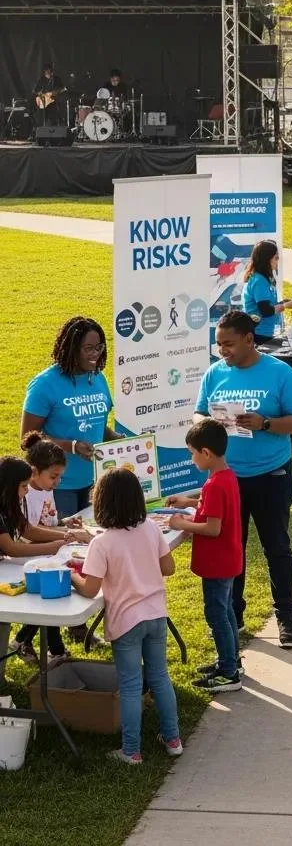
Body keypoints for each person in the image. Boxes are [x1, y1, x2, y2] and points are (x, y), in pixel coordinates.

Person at [195, 311, 292, 648]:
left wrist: (266, 424)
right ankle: (235, 614)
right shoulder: (215, 374)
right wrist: (207, 421)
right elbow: (198, 412)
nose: (222, 351)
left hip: (272, 474)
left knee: (277, 548)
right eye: (218, 345)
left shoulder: (279, 373)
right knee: (234, 549)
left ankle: (286, 616)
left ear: (248, 339)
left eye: (228, 344)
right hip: (230, 480)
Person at [71, 468, 182, 765]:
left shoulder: (102, 543)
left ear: (101, 503)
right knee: (160, 677)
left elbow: (90, 588)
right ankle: (173, 739)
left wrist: (72, 577)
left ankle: (131, 750)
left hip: (126, 622)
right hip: (156, 615)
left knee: (131, 685)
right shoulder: (150, 529)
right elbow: (168, 568)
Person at [163, 419, 244, 693]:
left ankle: (228, 673)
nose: (191, 458)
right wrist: (187, 502)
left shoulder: (213, 485)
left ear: (206, 453)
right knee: (227, 612)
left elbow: (212, 527)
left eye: (192, 452)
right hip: (229, 560)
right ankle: (231, 661)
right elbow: (211, 503)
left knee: (216, 615)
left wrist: (181, 524)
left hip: (217, 564)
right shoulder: (225, 477)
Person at [21, 317, 115, 519]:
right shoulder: (45, 384)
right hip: (58, 485)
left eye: (98, 347)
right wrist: (71, 446)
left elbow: (97, 426)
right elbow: (28, 439)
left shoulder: (99, 378)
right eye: (88, 348)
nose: (95, 354)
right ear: (72, 348)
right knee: (67, 544)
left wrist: (117, 437)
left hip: (96, 482)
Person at [13, 434, 78, 664]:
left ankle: (28, 642)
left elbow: (48, 521)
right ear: (34, 471)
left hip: (48, 553)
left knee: (51, 601)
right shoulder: (26, 492)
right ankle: (50, 649)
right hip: (29, 559)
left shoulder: (45, 488)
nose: (57, 482)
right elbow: (29, 530)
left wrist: (65, 525)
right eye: (54, 477)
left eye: (59, 476)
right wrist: (63, 536)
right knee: (49, 602)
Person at [241, 240, 292, 343]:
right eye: (276, 258)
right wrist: (286, 305)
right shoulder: (259, 280)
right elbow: (265, 310)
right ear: (267, 259)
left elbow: (268, 305)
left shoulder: (263, 278)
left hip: (266, 331)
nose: (277, 261)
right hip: (261, 333)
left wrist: (284, 302)